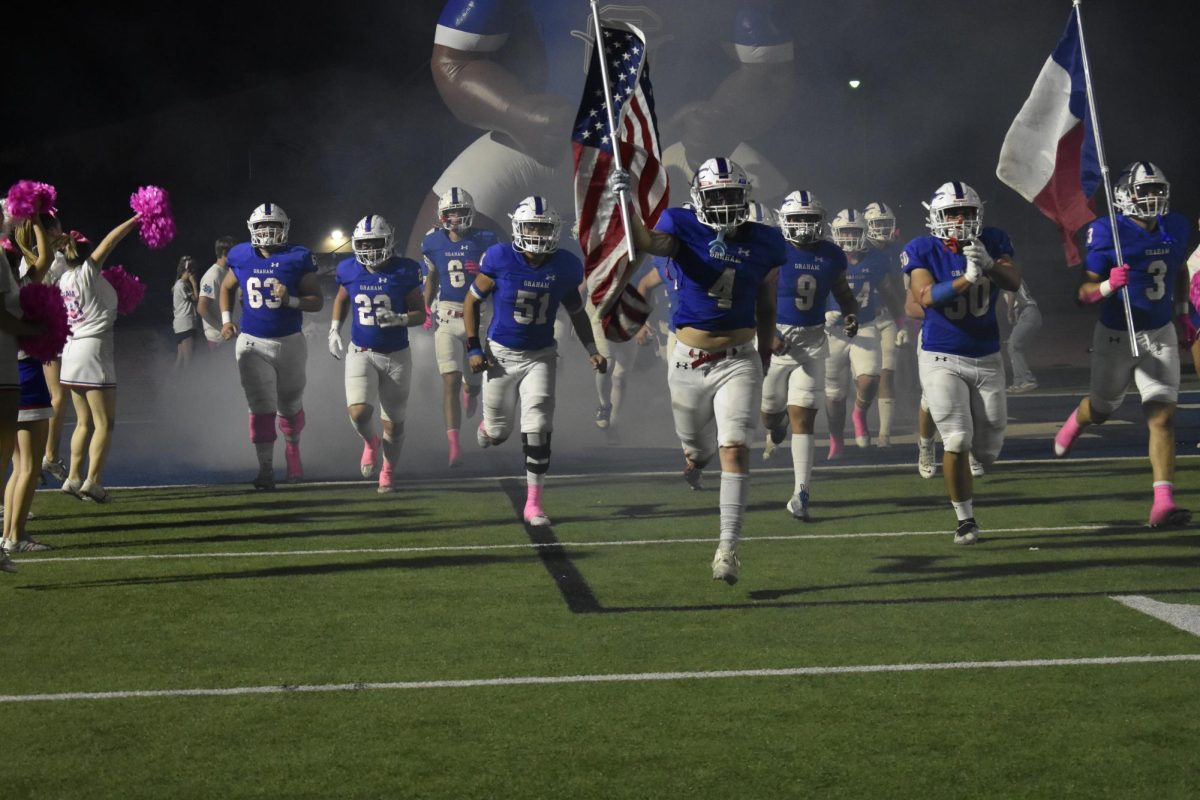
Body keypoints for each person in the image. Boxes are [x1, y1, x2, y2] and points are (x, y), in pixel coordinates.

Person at [409, 1, 798, 257]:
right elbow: (454, 61)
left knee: (786, 223)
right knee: (450, 223)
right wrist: (515, 114)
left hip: (674, 143)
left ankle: (782, 346)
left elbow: (770, 73)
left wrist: (724, 119)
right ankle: (436, 348)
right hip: (555, 141)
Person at [615, 157, 786, 584]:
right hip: (687, 359)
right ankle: (696, 459)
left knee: (735, 446)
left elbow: (766, 305)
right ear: (700, 199)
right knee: (699, 447)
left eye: (733, 195)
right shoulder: (681, 225)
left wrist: (765, 350)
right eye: (718, 196)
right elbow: (645, 243)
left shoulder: (766, 240)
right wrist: (627, 203)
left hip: (738, 357)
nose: (726, 204)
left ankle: (728, 548)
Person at [1053, 162, 1192, 527]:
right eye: (1143, 191)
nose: (1152, 198)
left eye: (1156, 190)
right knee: (1102, 408)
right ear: (1123, 196)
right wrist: (1108, 287)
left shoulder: (1174, 226)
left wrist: (1180, 313)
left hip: (1158, 333)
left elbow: (1177, 269)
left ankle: (1162, 502)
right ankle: (1079, 419)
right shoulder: (1106, 232)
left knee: (1161, 417)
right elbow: (1081, 295)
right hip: (1117, 335)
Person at [464, 195, 606, 527]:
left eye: (543, 228)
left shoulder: (565, 265)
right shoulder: (499, 257)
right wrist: (473, 348)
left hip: (541, 354)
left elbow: (576, 311)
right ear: (518, 227)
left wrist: (591, 348)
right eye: (531, 226)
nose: (537, 234)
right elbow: (471, 302)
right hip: (500, 354)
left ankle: (534, 504)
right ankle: (488, 426)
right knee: (498, 432)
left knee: (539, 424)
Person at [903, 181, 1021, 545]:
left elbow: (1013, 281)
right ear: (935, 217)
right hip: (941, 353)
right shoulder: (921, 248)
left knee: (987, 449)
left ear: (979, 215)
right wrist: (966, 278)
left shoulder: (995, 239)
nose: (958, 220)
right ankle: (965, 520)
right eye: (951, 213)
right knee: (957, 437)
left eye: (966, 212)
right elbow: (923, 295)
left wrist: (989, 264)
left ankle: (940, 421)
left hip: (986, 355)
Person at [761, 189, 857, 521]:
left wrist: (850, 313)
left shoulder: (831, 254)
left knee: (805, 418)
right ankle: (776, 426)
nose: (803, 226)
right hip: (775, 341)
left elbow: (843, 292)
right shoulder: (771, 248)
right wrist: (768, 332)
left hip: (813, 341)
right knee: (770, 415)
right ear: (784, 221)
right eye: (797, 219)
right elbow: (751, 295)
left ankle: (801, 493)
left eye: (810, 219)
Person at [220, 203, 323, 489]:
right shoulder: (240, 254)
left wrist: (289, 299)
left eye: (273, 227)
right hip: (252, 341)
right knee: (261, 405)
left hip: (289, 341)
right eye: (262, 227)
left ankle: (292, 449)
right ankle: (265, 468)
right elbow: (226, 287)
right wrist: (227, 319)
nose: (267, 233)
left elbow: (316, 300)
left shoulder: (298, 256)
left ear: (285, 229)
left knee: (289, 404)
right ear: (252, 229)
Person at [329, 215, 425, 491]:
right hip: (362, 351)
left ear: (389, 242)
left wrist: (401, 319)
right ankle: (370, 442)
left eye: (375, 243)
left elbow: (419, 312)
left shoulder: (405, 270)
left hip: (396, 355)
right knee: (359, 412)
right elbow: (342, 297)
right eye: (365, 243)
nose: (370, 249)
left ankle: (388, 471)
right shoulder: (349, 269)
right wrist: (335, 328)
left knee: (393, 425)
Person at [58, 214, 142, 502]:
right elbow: (109, 243)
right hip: (93, 352)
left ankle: (72, 478)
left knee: (83, 422)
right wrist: (134, 221)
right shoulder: (85, 273)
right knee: (105, 423)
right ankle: (93, 482)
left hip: (71, 354)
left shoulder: (64, 279)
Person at [421, 188, 498, 466]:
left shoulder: (486, 239)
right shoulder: (432, 243)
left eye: (459, 211)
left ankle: (472, 391)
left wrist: (481, 274)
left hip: (478, 316)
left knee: (474, 380)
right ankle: (454, 444)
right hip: (447, 316)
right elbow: (432, 277)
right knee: (450, 380)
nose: (454, 218)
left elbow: (497, 276)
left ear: (470, 212)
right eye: (449, 213)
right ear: (442, 216)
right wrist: (425, 306)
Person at [824, 209, 901, 457]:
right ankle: (836, 437)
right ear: (835, 233)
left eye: (854, 231)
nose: (848, 236)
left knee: (870, 379)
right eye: (844, 231)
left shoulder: (875, 258)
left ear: (863, 233)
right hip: (833, 332)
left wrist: (900, 321)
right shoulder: (826, 258)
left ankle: (859, 412)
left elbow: (888, 290)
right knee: (834, 395)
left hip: (865, 327)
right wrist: (821, 315)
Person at [4, 214, 56, 553]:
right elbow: (45, 257)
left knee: (17, 466)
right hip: (26, 376)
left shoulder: (14, 285)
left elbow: (43, 258)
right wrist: (36, 220)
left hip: (12, 373)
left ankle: (8, 534)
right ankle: (16, 536)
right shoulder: (21, 286)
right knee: (29, 466)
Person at [862, 201, 907, 446]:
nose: (882, 229)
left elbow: (901, 284)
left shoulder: (898, 249)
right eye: (877, 224)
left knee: (887, 374)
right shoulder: (858, 248)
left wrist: (904, 317)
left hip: (889, 316)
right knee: (865, 379)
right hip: (862, 320)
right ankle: (859, 419)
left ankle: (884, 434)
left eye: (886, 223)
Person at [198, 236, 237, 350]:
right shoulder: (212, 275)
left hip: (230, 334)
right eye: (234, 252)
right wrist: (222, 328)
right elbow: (201, 308)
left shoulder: (227, 272)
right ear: (225, 253)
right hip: (219, 339)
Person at [1005, 279, 1042, 392]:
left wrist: (1009, 312)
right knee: (1013, 347)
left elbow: (1011, 293)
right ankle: (1019, 382)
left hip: (1028, 313)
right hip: (1029, 315)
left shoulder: (1005, 277)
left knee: (1014, 346)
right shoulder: (1014, 277)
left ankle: (1028, 381)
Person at [172, 256, 199, 368]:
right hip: (186, 325)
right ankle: (188, 383)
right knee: (189, 359)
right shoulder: (182, 285)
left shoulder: (178, 284)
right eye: (192, 272)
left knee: (180, 359)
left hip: (180, 325)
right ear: (187, 271)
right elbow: (196, 299)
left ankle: (172, 382)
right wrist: (194, 284)